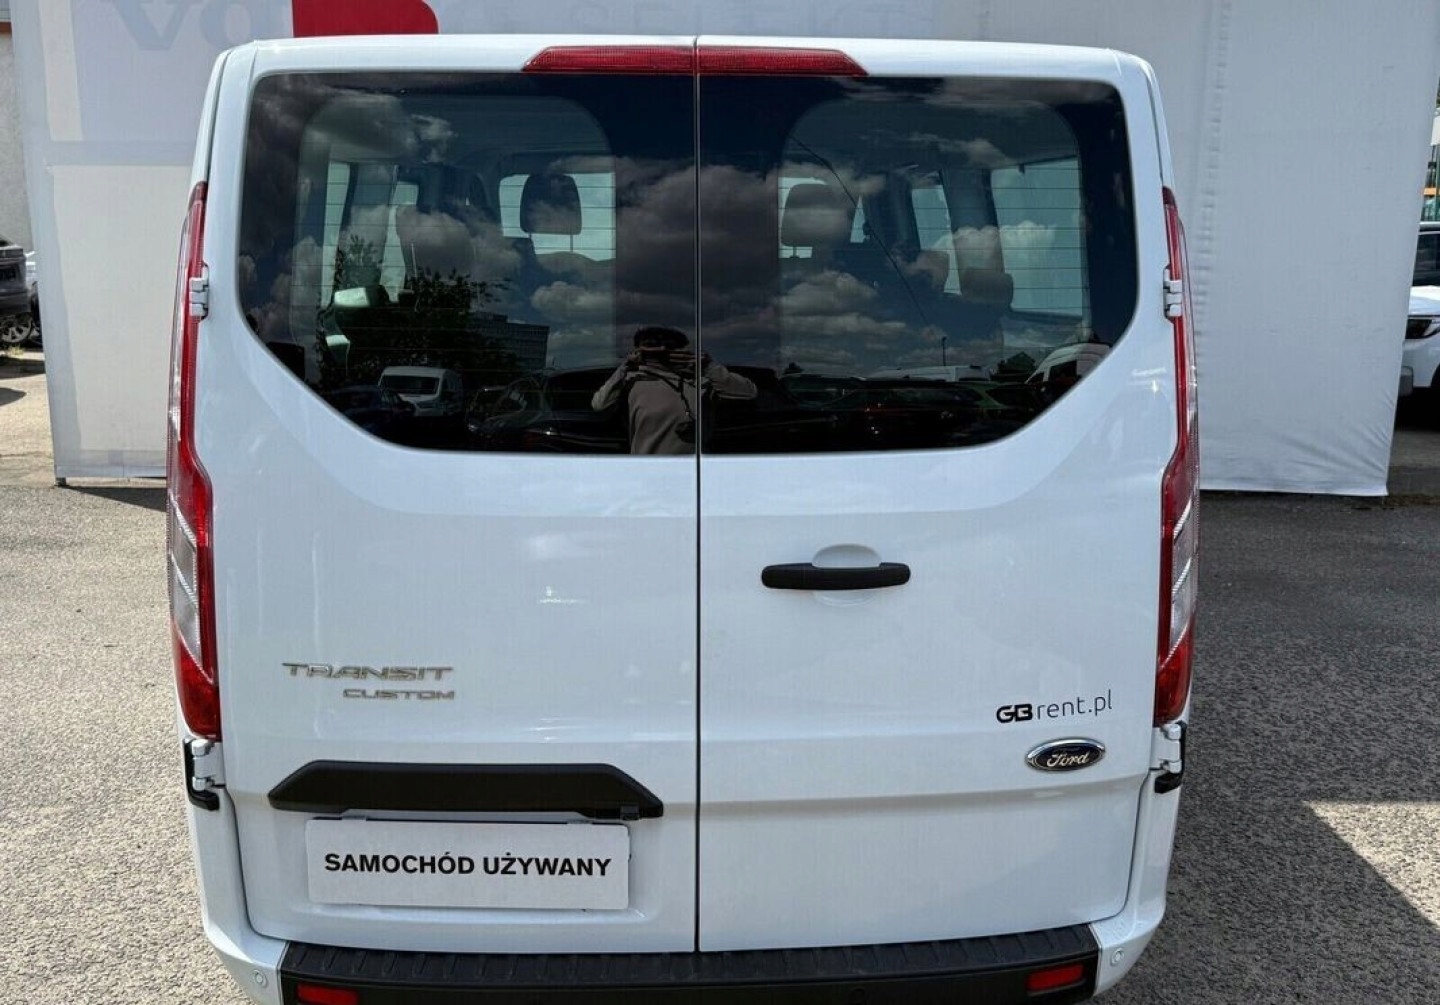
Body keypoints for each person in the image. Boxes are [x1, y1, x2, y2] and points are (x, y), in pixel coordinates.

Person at [591, 326, 756, 454]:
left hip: (698, 469)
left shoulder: (702, 381)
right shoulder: (631, 380)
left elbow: (748, 393)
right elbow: (600, 404)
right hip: (647, 469)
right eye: (651, 345)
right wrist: (626, 365)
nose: (661, 349)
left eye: (669, 346)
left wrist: (708, 366)